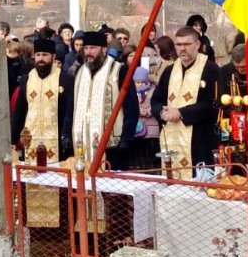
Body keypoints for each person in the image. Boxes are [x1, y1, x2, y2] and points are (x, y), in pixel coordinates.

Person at [152, 27, 220, 178]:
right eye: (179, 44)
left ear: (197, 44)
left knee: (199, 183)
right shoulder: (169, 71)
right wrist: (161, 112)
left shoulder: (211, 69)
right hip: (171, 137)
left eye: (187, 44)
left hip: (199, 138)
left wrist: (182, 113)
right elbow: (156, 100)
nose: (182, 48)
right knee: (172, 182)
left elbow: (213, 104)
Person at [71, 30, 138, 170]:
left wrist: (127, 138)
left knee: (111, 183)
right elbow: (72, 105)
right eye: (86, 48)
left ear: (104, 49)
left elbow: (131, 107)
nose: (88, 52)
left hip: (113, 147)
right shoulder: (80, 72)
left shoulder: (119, 70)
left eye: (93, 48)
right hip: (83, 143)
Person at [11, 38, 72, 163]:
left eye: (45, 55)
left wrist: (66, 135)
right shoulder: (26, 79)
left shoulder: (65, 79)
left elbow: (69, 111)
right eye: (38, 55)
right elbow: (19, 112)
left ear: (53, 57)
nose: (41, 59)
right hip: (30, 140)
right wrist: (13, 139)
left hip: (57, 142)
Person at [132, 66, 161, 170]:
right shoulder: (132, 93)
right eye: (138, 82)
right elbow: (131, 106)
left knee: (152, 146)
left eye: (143, 82)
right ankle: (142, 165)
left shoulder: (153, 90)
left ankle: (153, 165)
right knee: (140, 147)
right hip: (139, 124)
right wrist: (139, 111)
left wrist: (149, 111)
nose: (140, 84)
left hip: (152, 124)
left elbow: (156, 104)